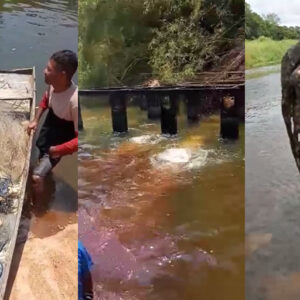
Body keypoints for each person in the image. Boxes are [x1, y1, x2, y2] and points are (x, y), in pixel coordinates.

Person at [27, 50, 78, 196]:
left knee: (36, 177)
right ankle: (48, 180)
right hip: (49, 129)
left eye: (49, 69)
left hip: (59, 142)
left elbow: (78, 140)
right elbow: (44, 100)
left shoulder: (74, 101)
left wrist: (58, 150)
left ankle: (41, 203)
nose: (44, 71)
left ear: (62, 75)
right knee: (40, 153)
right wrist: (35, 120)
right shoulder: (53, 85)